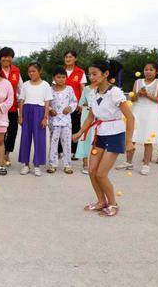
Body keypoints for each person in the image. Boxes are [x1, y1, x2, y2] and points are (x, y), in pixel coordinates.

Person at [72, 60, 134, 217]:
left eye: (95, 74)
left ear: (106, 74)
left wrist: (128, 142)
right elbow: (91, 117)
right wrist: (79, 133)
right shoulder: (91, 93)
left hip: (115, 135)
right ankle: (101, 201)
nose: (91, 77)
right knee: (92, 171)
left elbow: (130, 117)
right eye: (90, 74)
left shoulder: (116, 93)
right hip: (99, 135)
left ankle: (113, 204)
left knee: (101, 173)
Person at [119, 62, 158, 175]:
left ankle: (146, 165)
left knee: (148, 139)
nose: (148, 72)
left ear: (156, 71)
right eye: (146, 69)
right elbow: (133, 99)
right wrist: (138, 95)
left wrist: (146, 95)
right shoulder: (138, 82)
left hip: (152, 113)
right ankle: (128, 162)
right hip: (138, 111)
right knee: (133, 137)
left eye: (151, 69)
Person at [18, 62, 52, 177]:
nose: (31, 73)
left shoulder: (46, 85)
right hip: (27, 111)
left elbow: (47, 103)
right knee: (25, 138)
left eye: (34, 71)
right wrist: (20, 116)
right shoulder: (25, 85)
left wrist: (45, 117)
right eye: (29, 71)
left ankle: (37, 165)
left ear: (39, 71)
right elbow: (21, 101)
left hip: (40, 112)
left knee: (39, 139)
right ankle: (26, 164)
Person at [48, 67, 78, 174]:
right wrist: (50, 110)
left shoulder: (69, 89)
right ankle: (52, 164)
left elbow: (74, 101)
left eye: (63, 77)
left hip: (66, 121)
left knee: (66, 143)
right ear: (54, 78)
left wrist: (69, 108)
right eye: (58, 77)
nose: (61, 79)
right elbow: (46, 103)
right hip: (54, 121)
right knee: (53, 142)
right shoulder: (50, 90)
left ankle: (67, 165)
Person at [0, 47, 23, 167]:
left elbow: (20, 88)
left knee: (12, 132)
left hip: (12, 108)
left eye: (9, 56)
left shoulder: (16, 71)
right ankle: (1, 154)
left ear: (12, 58)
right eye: (4, 56)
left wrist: (20, 100)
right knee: (1, 132)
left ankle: (7, 153)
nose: (7, 58)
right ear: (0, 58)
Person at [61, 50, 86, 160]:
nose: (68, 59)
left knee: (75, 127)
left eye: (70, 57)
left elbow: (83, 89)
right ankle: (60, 150)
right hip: (61, 106)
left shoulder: (80, 72)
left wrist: (81, 103)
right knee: (61, 127)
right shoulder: (61, 71)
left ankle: (73, 151)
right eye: (66, 57)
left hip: (75, 105)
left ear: (75, 59)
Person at [75, 83, 97, 174]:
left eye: (95, 74)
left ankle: (95, 164)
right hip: (86, 115)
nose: (93, 77)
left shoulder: (105, 88)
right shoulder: (87, 88)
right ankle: (85, 164)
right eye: (91, 74)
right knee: (85, 138)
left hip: (99, 116)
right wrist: (92, 103)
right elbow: (81, 103)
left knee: (97, 139)